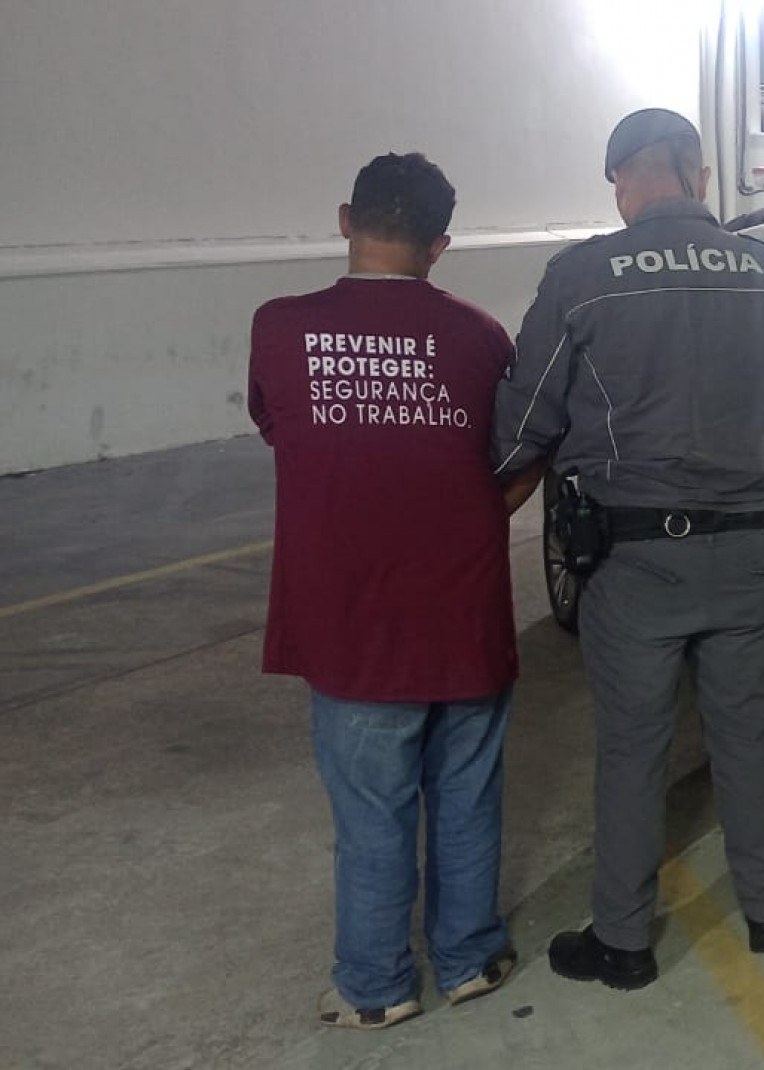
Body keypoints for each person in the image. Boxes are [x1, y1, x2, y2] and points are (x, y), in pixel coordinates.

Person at [492, 109, 764, 991]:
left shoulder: (582, 275)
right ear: (697, 172)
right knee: (743, 733)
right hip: (751, 547)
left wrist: (491, 482)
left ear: (622, 178)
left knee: (634, 748)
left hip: (635, 558)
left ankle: (625, 941)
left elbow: (525, 418)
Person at [248, 153, 535, 1029]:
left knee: (372, 812)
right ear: (441, 245)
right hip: (462, 613)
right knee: (466, 792)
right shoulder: (483, 337)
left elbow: (279, 429)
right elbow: (519, 460)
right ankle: (470, 958)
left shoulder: (280, 327)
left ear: (346, 219)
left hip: (350, 623)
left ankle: (375, 990)